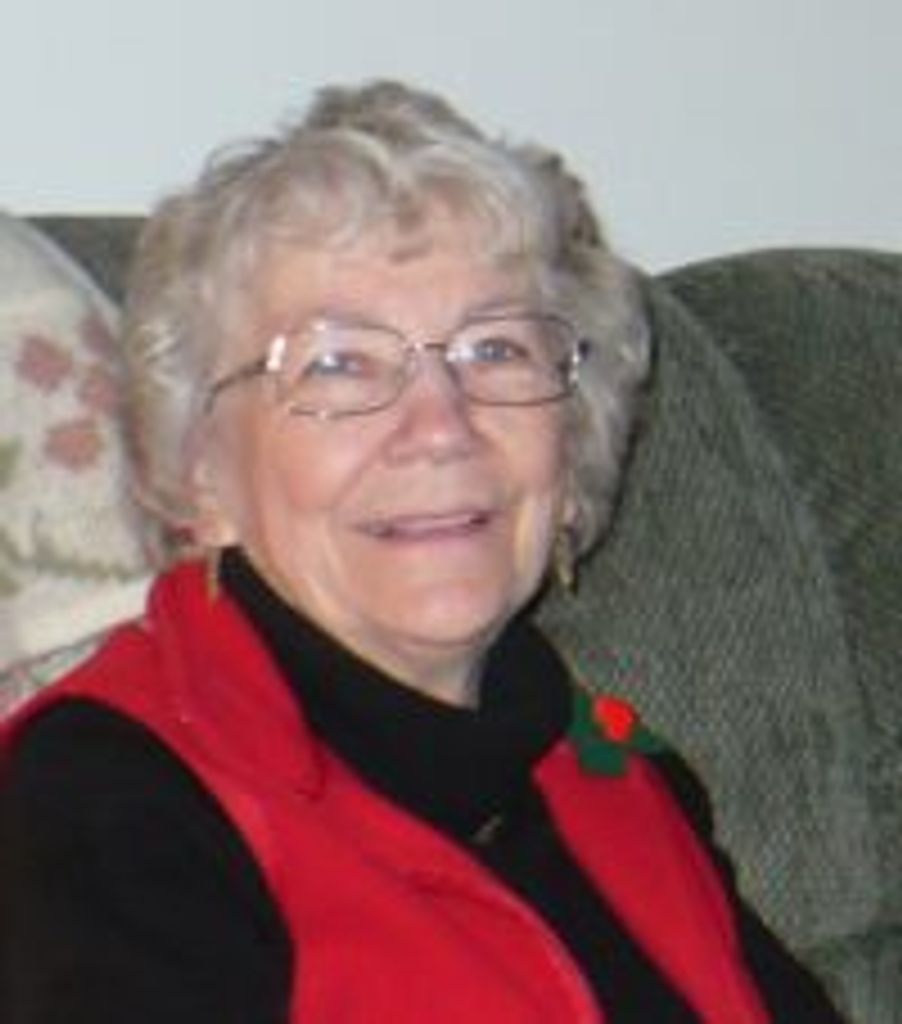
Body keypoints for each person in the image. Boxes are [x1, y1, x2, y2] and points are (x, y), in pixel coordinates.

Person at [1, 81, 845, 1023]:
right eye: (338, 364)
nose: (441, 427)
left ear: (573, 442)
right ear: (202, 470)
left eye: (495, 351)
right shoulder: (103, 801)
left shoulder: (613, 771)